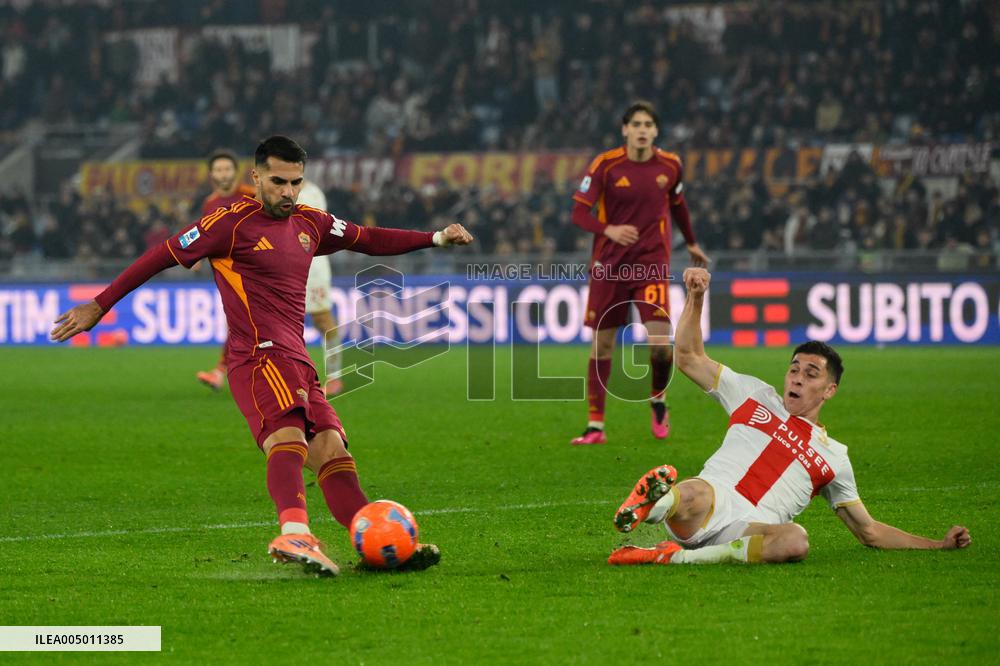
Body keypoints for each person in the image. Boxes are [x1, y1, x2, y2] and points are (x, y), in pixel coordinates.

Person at [52, 136, 474, 576]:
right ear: (255, 177)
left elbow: (367, 238)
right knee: (287, 437)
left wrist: (436, 238)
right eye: (278, 182)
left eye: (295, 182)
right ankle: (294, 532)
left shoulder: (310, 223)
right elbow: (162, 255)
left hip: (298, 359)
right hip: (258, 357)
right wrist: (99, 304)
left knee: (331, 450)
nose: (288, 192)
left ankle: (377, 542)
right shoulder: (228, 223)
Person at [607, 267, 972, 566]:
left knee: (796, 540)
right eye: (794, 369)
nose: (797, 378)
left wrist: (937, 545)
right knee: (692, 490)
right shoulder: (754, 395)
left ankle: (672, 556)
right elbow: (688, 358)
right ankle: (652, 505)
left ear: (829, 390)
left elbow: (869, 532)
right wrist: (696, 296)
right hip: (704, 507)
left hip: (748, 531)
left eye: (811, 374)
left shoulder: (834, 459)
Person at [569, 100, 709, 446]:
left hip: (651, 265)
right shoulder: (606, 165)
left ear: (656, 131)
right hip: (609, 266)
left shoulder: (671, 165)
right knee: (602, 346)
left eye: (648, 124)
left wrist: (692, 242)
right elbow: (579, 213)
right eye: (636, 124)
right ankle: (595, 426)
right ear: (625, 129)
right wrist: (609, 229)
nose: (642, 130)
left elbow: (678, 205)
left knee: (661, 347)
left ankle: (658, 400)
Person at [195, 149, 257, 391]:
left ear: (236, 172)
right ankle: (231, 371)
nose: (223, 174)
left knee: (242, 321)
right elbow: (207, 234)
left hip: (255, 268)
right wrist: (198, 255)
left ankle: (222, 371)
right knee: (239, 322)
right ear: (211, 174)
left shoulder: (252, 195)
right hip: (225, 270)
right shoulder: (209, 203)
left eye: (227, 169)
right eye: (218, 170)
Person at [295, 179, 345, 397]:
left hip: (312, 265)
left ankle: (334, 377)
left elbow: (313, 229)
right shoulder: (271, 190)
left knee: (322, 319)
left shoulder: (312, 193)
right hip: (282, 263)